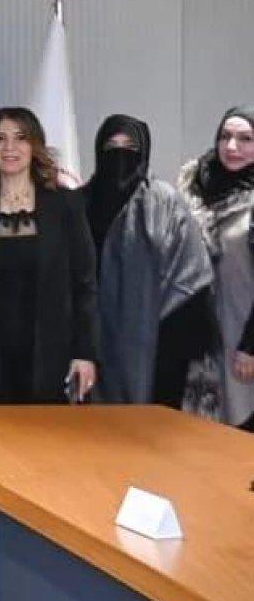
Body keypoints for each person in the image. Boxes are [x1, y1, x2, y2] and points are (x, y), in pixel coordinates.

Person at [0, 107, 98, 404]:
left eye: (20, 138)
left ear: (34, 146)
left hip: (50, 358)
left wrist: (84, 353)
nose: (10, 147)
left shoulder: (66, 205)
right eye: (0, 139)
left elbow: (84, 285)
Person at [83, 114, 213, 408]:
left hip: (154, 342)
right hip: (93, 340)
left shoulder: (164, 202)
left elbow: (190, 277)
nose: (120, 154)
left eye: (130, 147)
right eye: (111, 146)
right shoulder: (82, 202)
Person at [177, 105, 254, 428]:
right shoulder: (192, 188)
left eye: (246, 139)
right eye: (225, 137)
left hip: (242, 334)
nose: (232, 147)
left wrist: (251, 347)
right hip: (201, 335)